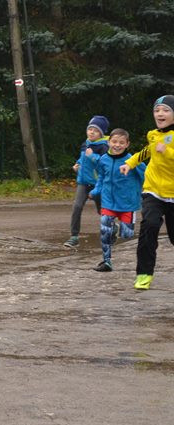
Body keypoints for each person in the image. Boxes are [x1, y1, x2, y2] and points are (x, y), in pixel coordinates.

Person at [120, 95, 174, 290]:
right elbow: (147, 151)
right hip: (153, 190)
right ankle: (144, 274)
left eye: (166, 110)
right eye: (157, 110)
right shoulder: (153, 135)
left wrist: (166, 151)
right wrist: (129, 163)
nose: (160, 113)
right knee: (149, 226)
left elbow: (163, 151)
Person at [87, 128, 145, 272]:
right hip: (108, 201)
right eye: (114, 142)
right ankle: (106, 262)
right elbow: (101, 177)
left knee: (127, 235)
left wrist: (150, 191)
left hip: (127, 203)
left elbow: (147, 175)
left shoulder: (133, 160)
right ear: (108, 142)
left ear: (127, 144)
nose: (117, 145)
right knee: (105, 230)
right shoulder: (103, 160)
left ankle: (116, 228)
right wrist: (95, 191)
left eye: (121, 142)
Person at [62, 115, 111, 248]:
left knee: (102, 210)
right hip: (83, 182)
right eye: (90, 129)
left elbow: (105, 163)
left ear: (101, 133)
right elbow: (82, 158)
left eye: (95, 130)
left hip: (98, 184)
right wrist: (76, 165)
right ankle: (74, 237)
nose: (91, 132)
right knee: (77, 207)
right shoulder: (86, 143)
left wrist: (93, 156)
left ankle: (112, 226)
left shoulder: (104, 146)